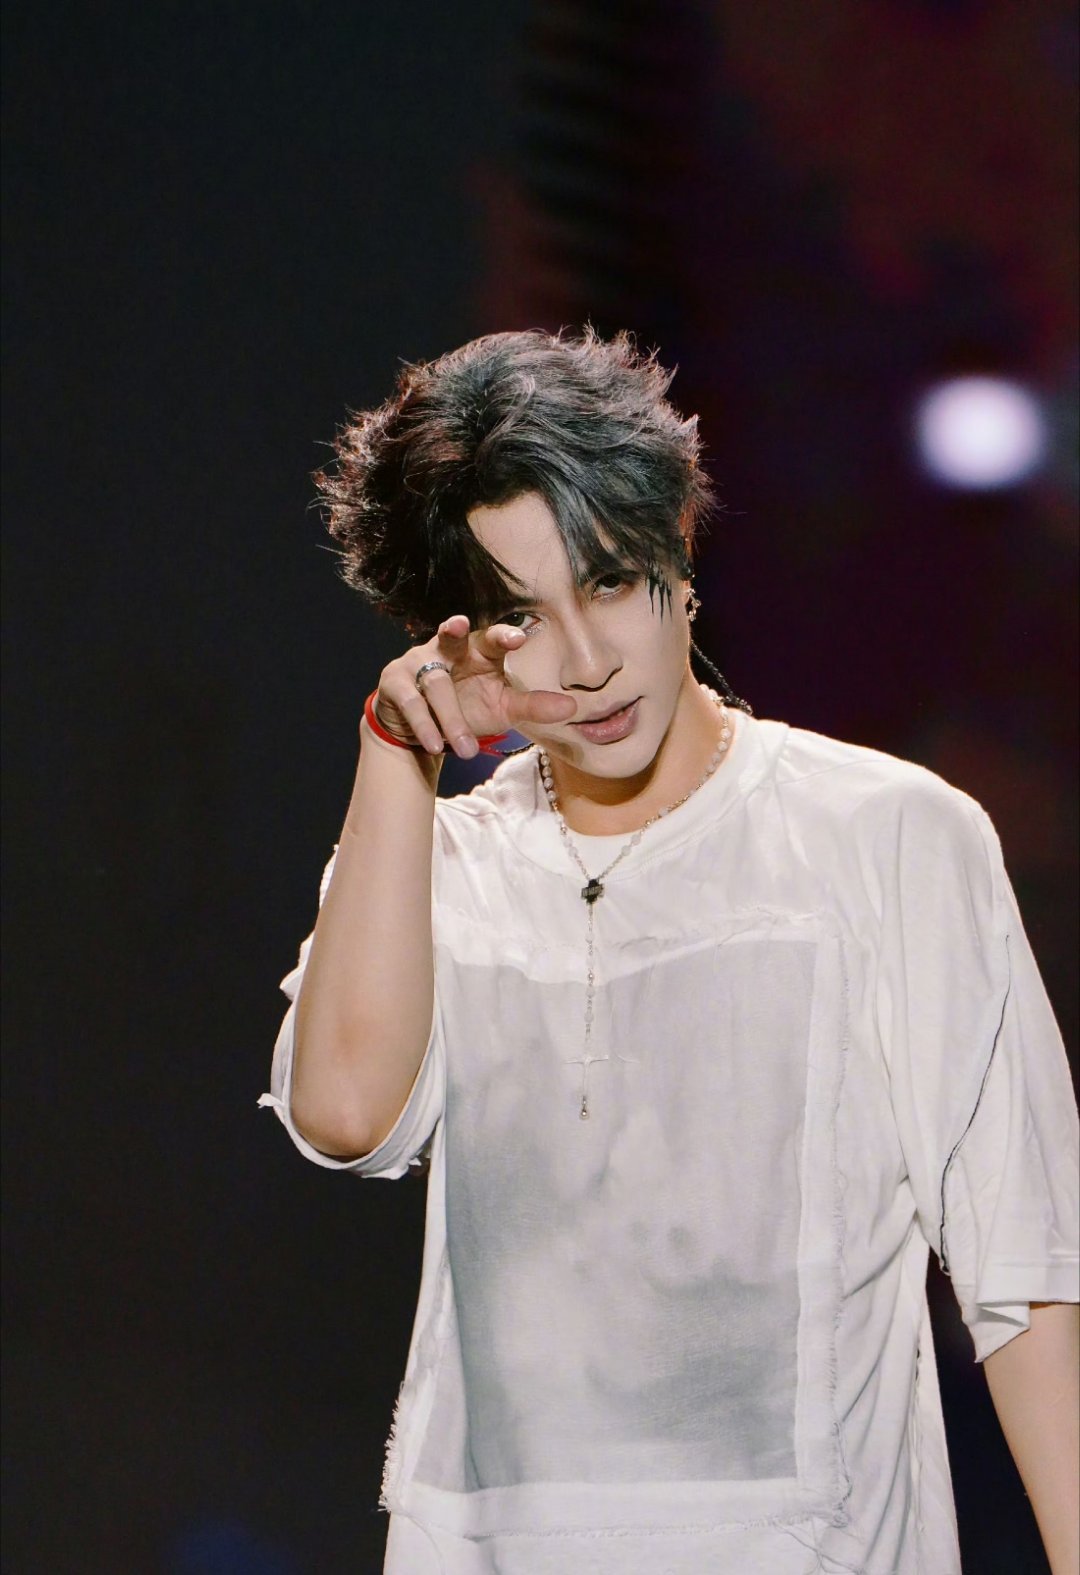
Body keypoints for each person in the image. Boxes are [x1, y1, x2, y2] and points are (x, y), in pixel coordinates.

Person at [260, 328, 1079, 1575]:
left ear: (679, 556)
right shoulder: (438, 863)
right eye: (522, 616)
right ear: (456, 638)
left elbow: (1028, 1267)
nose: (587, 663)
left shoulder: (886, 837)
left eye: (607, 582)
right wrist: (395, 747)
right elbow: (344, 1119)